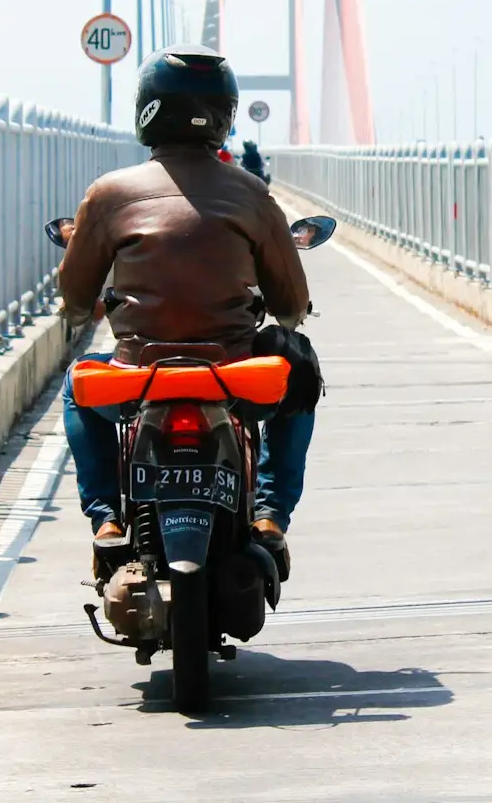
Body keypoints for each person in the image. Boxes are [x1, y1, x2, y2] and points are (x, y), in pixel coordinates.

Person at [58, 45, 315, 568]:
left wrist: (92, 307)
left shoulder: (108, 195)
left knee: (76, 388)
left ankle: (106, 515)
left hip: (136, 372)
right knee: (301, 375)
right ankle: (269, 514)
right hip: (234, 374)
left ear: (147, 108)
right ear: (225, 114)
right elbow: (290, 301)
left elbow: (76, 299)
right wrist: (282, 314)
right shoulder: (252, 192)